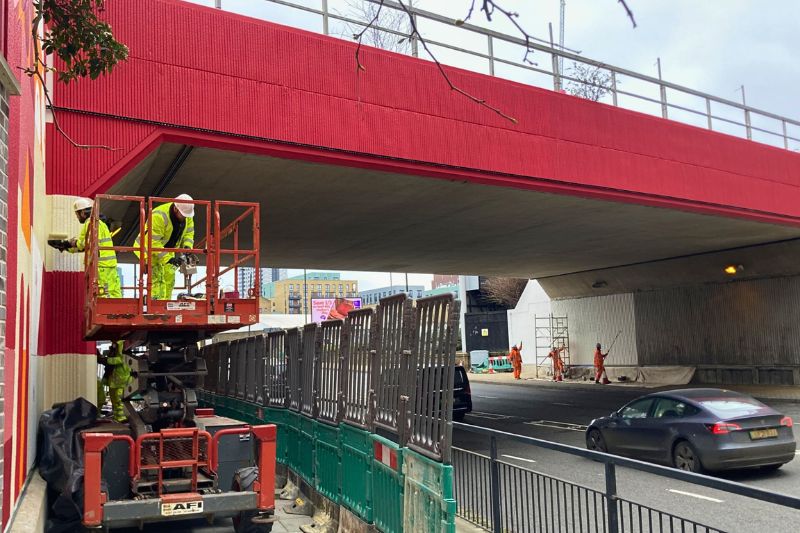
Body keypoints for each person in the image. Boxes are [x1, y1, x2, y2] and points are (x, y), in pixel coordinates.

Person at [49, 197, 121, 298]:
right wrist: (66, 246)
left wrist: (70, 243)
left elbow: (84, 243)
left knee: (103, 296)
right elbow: (86, 246)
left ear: (82, 212)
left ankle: (109, 312)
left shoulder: (90, 222)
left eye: (77, 214)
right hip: (109, 265)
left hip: (100, 266)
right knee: (113, 292)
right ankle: (117, 312)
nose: (77, 217)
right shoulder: (101, 223)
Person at [134, 194, 195, 300]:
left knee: (169, 279)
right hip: (148, 250)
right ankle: (155, 308)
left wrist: (187, 247)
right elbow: (153, 242)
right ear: (175, 209)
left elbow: (189, 233)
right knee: (157, 280)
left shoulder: (187, 216)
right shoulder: (159, 216)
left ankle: (166, 307)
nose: (185, 217)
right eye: (183, 215)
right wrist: (169, 259)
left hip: (167, 249)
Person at [98, 341, 131, 422]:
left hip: (121, 378)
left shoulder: (121, 343)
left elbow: (122, 359)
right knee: (115, 400)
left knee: (119, 400)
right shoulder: (117, 343)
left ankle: (122, 419)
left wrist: (107, 360)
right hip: (114, 379)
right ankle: (118, 418)